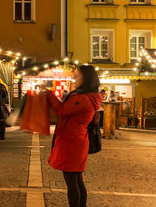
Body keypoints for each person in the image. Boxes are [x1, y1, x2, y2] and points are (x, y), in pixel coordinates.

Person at [45, 65, 102, 207]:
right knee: (77, 180)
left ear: (86, 79)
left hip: (72, 142)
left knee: (72, 182)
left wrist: (48, 94)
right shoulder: (86, 96)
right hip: (76, 140)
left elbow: (61, 110)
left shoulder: (83, 99)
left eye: (77, 76)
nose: (74, 79)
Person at [0, 76, 9, 141]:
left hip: (0, 105)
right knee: (0, 121)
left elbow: (5, 96)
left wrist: (5, 103)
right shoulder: (2, 86)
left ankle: (0, 135)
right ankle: (0, 136)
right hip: (1, 105)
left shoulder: (0, 87)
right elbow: (6, 96)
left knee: (0, 121)